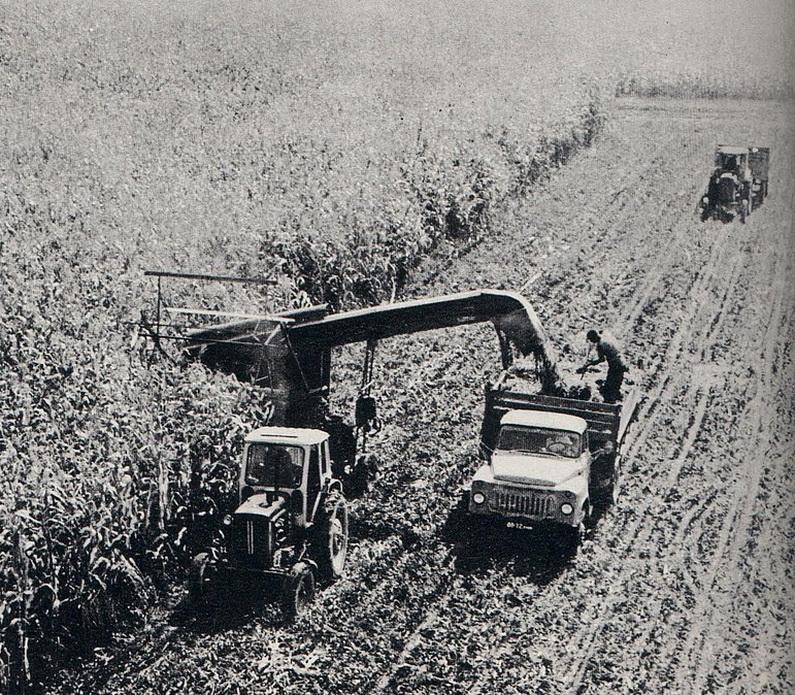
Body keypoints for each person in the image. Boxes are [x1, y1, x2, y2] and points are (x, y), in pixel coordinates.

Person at [577, 329, 628, 404]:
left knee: (610, 387)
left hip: (615, 366)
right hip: (620, 364)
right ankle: (612, 401)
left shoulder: (600, 345)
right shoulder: (604, 340)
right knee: (614, 385)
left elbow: (601, 359)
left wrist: (588, 364)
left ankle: (609, 405)